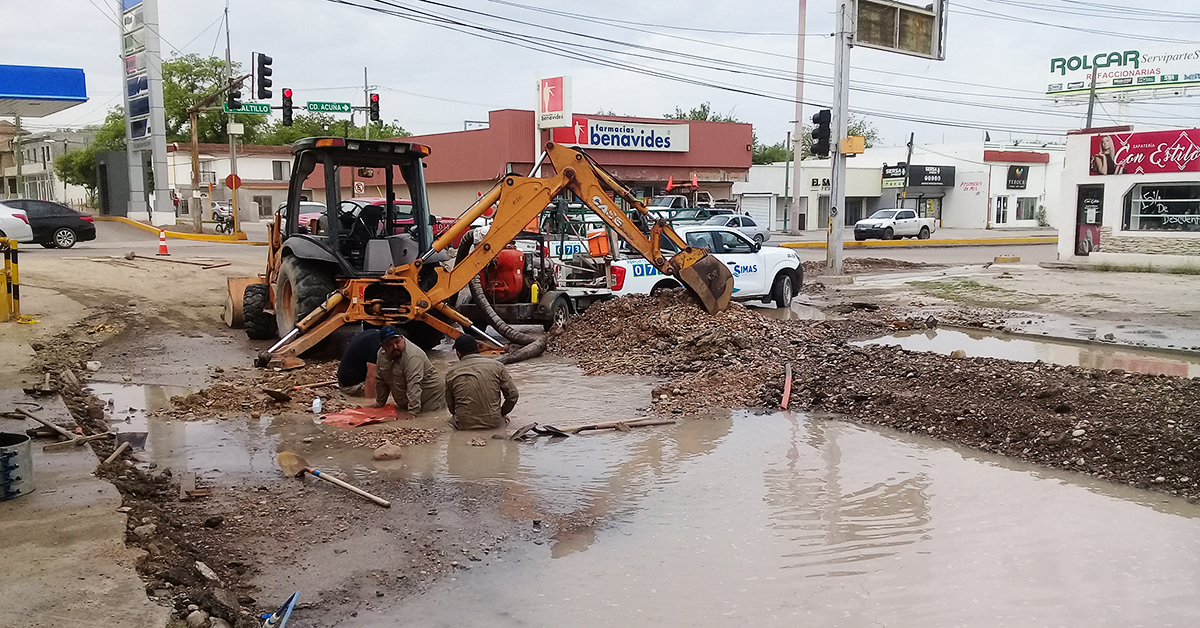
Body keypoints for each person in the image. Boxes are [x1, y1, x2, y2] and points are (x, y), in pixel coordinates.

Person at [444, 334, 519, 430]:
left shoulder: (451, 373)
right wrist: (502, 412)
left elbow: (451, 406)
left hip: (464, 424)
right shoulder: (497, 366)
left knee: (448, 424)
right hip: (494, 422)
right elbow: (513, 394)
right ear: (478, 349)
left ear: (458, 353)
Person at [374, 326, 445, 418]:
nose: (395, 347)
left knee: (428, 419)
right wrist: (379, 404)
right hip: (408, 401)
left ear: (402, 338)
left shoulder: (413, 356)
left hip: (432, 399)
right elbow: (381, 381)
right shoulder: (381, 354)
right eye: (390, 345)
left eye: (397, 342)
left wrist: (412, 412)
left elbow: (414, 384)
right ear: (383, 346)